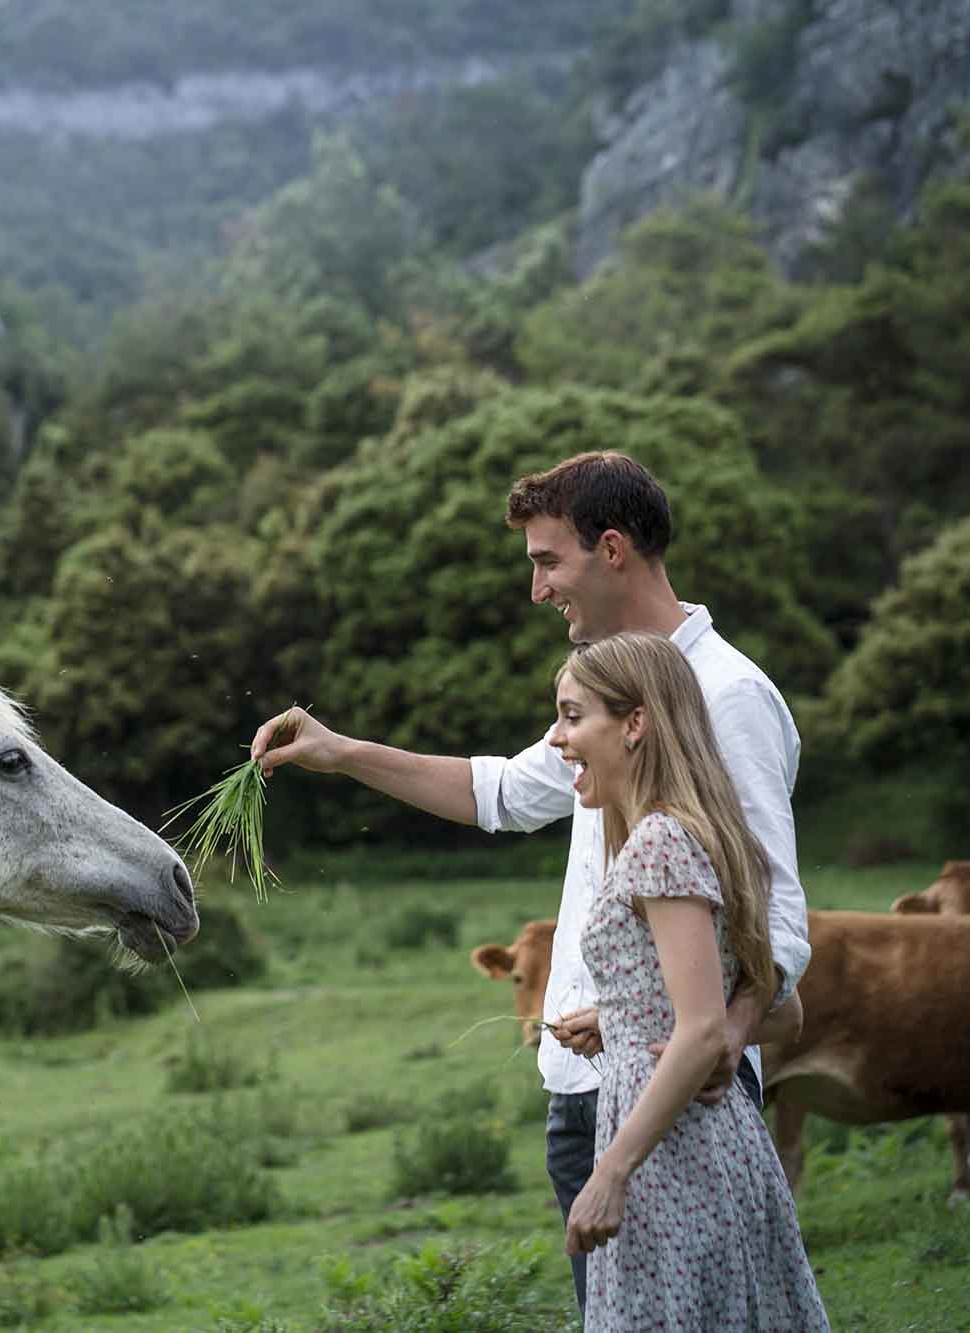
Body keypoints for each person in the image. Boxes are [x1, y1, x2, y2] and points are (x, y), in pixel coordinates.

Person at [248, 451, 811, 1316]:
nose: (538, 590)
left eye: (549, 561)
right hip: (585, 1084)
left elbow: (778, 926)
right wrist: (339, 751)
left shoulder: (726, 696)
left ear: (612, 549)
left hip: (674, 1091)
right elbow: (502, 793)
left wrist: (725, 1037)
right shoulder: (609, 694)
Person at [551, 631, 825, 1330]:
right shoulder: (690, 833)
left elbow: (704, 1029)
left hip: (672, 1161)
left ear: (635, 723)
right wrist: (623, 1020)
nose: (558, 738)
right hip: (703, 1146)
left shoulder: (661, 843)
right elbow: (780, 1010)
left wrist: (610, 1172)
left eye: (573, 715)